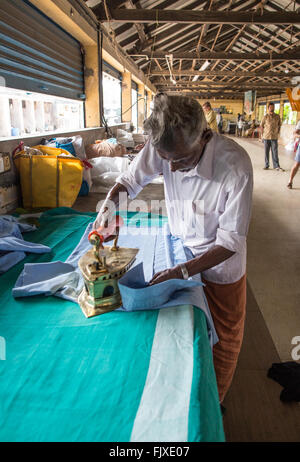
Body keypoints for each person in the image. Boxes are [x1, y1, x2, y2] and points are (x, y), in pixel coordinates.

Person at [94, 93, 253, 404]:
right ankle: (179, 390)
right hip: (180, 244)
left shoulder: (235, 167)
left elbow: (231, 241)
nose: (173, 168)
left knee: (224, 339)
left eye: (182, 159)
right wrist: (110, 205)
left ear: (205, 136)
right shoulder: (166, 145)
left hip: (220, 265)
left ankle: (212, 405)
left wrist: (181, 272)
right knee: (179, 330)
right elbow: (131, 179)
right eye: (165, 160)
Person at [260, 102, 284, 171]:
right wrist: (262, 135)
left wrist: (278, 133)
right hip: (266, 137)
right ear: (268, 108)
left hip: (274, 137)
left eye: (273, 107)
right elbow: (261, 126)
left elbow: (279, 125)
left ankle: (276, 166)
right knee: (266, 152)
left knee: (275, 152)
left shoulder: (277, 116)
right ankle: (266, 165)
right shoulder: (265, 117)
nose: (272, 108)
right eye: (270, 107)